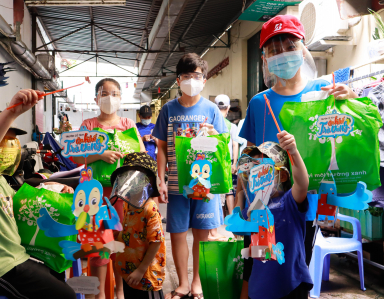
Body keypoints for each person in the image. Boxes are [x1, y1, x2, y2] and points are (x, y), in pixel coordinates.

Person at [237, 15, 358, 299]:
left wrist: (350, 96)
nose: (282, 55)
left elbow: (351, 130)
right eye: (274, 50)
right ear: (265, 58)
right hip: (263, 204)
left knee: (294, 269)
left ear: (302, 50)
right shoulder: (259, 102)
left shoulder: (322, 93)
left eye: (288, 46)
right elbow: (248, 159)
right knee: (255, 266)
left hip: (304, 204)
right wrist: (241, 203)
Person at [0, 90, 77, 299]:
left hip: (15, 259)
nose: (7, 147)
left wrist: (54, 188)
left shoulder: (0, 180)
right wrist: (12, 113)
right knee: (65, 296)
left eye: (10, 141)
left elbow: (23, 204)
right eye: (1, 139)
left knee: (58, 275)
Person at [153, 53, 228, 299]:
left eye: (197, 76)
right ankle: (182, 283)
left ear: (204, 80)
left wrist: (216, 134)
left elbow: (224, 148)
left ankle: (197, 283)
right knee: (176, 233)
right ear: (178, 80)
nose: (192, 80)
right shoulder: (168, 110)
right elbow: (161, 147)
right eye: (187, 76)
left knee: (202, 233)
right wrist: (160, 179)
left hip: (205, 186)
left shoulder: (212, 110)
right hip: (176, 184)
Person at [73, 78, 146, 299]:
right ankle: (98, 295)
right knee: (97, 246)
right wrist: (100, 155)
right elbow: (76, 157)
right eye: (104, 93)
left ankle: (119, 291)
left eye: (114, 94)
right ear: (96, 98)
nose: (110, 98)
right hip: (94, 198)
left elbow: (142, 156)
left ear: (121, 99)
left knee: (121, 244)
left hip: (123, 195)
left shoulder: (128, 125)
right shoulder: (88, 126)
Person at [236, 133, 311, 299]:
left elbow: (302, 183)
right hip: (259, 288)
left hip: (291, 285)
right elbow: (238, 228)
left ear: (282, 175)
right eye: (253, 173)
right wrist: (239, 193)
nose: (257, 177)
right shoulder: (253, 208)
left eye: (263, 171)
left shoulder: (289, 202)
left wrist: (294, 152)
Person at [111, 152, 165, 299]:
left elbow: (156, 241)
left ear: (149, 181)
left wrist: (141, 270)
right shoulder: (128, 205)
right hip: (129, 272)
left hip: (146, 276)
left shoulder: (150, 208)